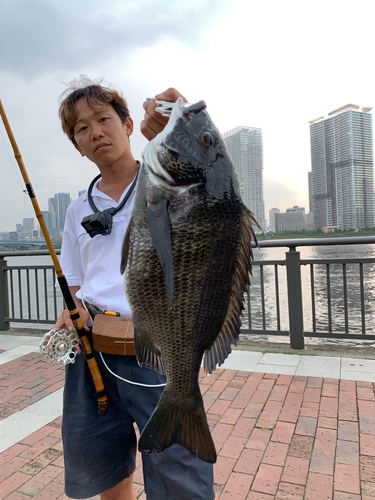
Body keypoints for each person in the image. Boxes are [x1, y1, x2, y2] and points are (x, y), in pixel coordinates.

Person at [54, 76, 218, 500]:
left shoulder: (169, 185)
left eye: (103, 119)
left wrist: (177, 115)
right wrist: (73, 309)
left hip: (157, 350)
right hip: (91, 352)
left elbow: (209, 177)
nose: (95, 132)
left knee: (178, 477)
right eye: (82, 128)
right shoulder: (76, 210)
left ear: (128, 125)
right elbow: (75, 279)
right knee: (106, 471)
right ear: (77, 146)